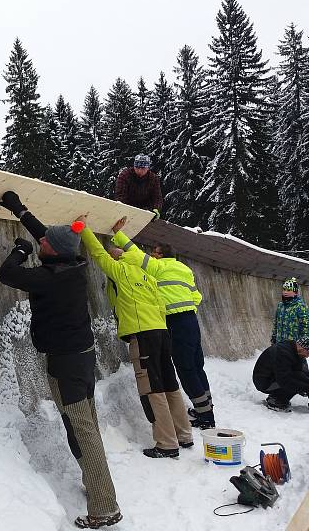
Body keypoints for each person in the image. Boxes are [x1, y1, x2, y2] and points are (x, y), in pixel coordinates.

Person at [0, 191, 121, 530]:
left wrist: (19, 251)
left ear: (53, 251)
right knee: (83, 424)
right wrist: (19, 209)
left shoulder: (49, 279)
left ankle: (105, 505)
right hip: (81, 357)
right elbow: (45, 235)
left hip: (66, 365)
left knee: (83, 429)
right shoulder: (71, 264)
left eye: (43, 244)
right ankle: (94, 485)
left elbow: (7, 274)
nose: (40, 244)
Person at [79, 216, 194, 459]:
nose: (111, 256)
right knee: (169, 382)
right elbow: (161, 305)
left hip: (143, 335)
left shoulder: (119, 271)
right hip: (161, 333)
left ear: (118, 258)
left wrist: (83, 228)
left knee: (152, 387)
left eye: (114, 254)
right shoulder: (147, 276)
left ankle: (166, 443)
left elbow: (98, 254)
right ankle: (184, 434)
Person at [147, 243, 215, 429]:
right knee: (197, 366)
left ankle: (206, 418)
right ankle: (207, 408)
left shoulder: (158, 267)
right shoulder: (184, 269)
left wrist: (118, 235)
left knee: (185, 369)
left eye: (154, 252)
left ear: (161, 255)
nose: (152, 255)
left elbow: (137, 256)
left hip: (176, 322)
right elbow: (197, 298)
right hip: (191, 321)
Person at [271, 277, 309, 410]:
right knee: (281, 370)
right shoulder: (280, 306)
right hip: (281, 345)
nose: (286, 292)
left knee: (301, 370)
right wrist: (274, 338)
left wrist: (303, 344)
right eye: (284, 289)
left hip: (297, 347)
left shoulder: (301, 307)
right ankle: (278, 394)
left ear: (295, 292)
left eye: (289, 290)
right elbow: (276, 323)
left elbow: (306, 327)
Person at [252, 337, 309, 412]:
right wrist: (307, 388)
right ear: (302, 348)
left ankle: (279, 397)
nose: (308, 356)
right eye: (308, 353)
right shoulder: (282, 352)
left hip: (276, 377)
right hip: (264, 382)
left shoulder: (298, 353)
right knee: (295, 384)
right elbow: (283, 381)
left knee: (299, 380)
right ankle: (275, 400)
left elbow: (304, 376)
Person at [113, 154, 163, 218]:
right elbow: (120, 195)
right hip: (127, 208)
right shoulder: (125, 175)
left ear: (147, 168)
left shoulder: (154, 179)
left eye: (143, 168)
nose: (139, 171)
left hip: (145, 211)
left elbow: (157, 197)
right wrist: (123, 208)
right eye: (137, 167)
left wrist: (156, 209)